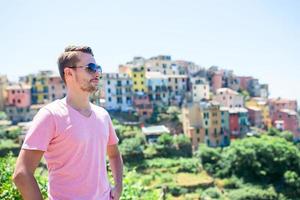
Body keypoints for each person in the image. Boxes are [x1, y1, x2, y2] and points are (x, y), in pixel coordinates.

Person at [13, 45, 123, 200]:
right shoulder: (50, 115)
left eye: (98, 68)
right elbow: (21, 173)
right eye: (90, 68)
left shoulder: (103, 115)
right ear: (69, 73)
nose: (97, 73)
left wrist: (118, 187)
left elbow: (114, 154)